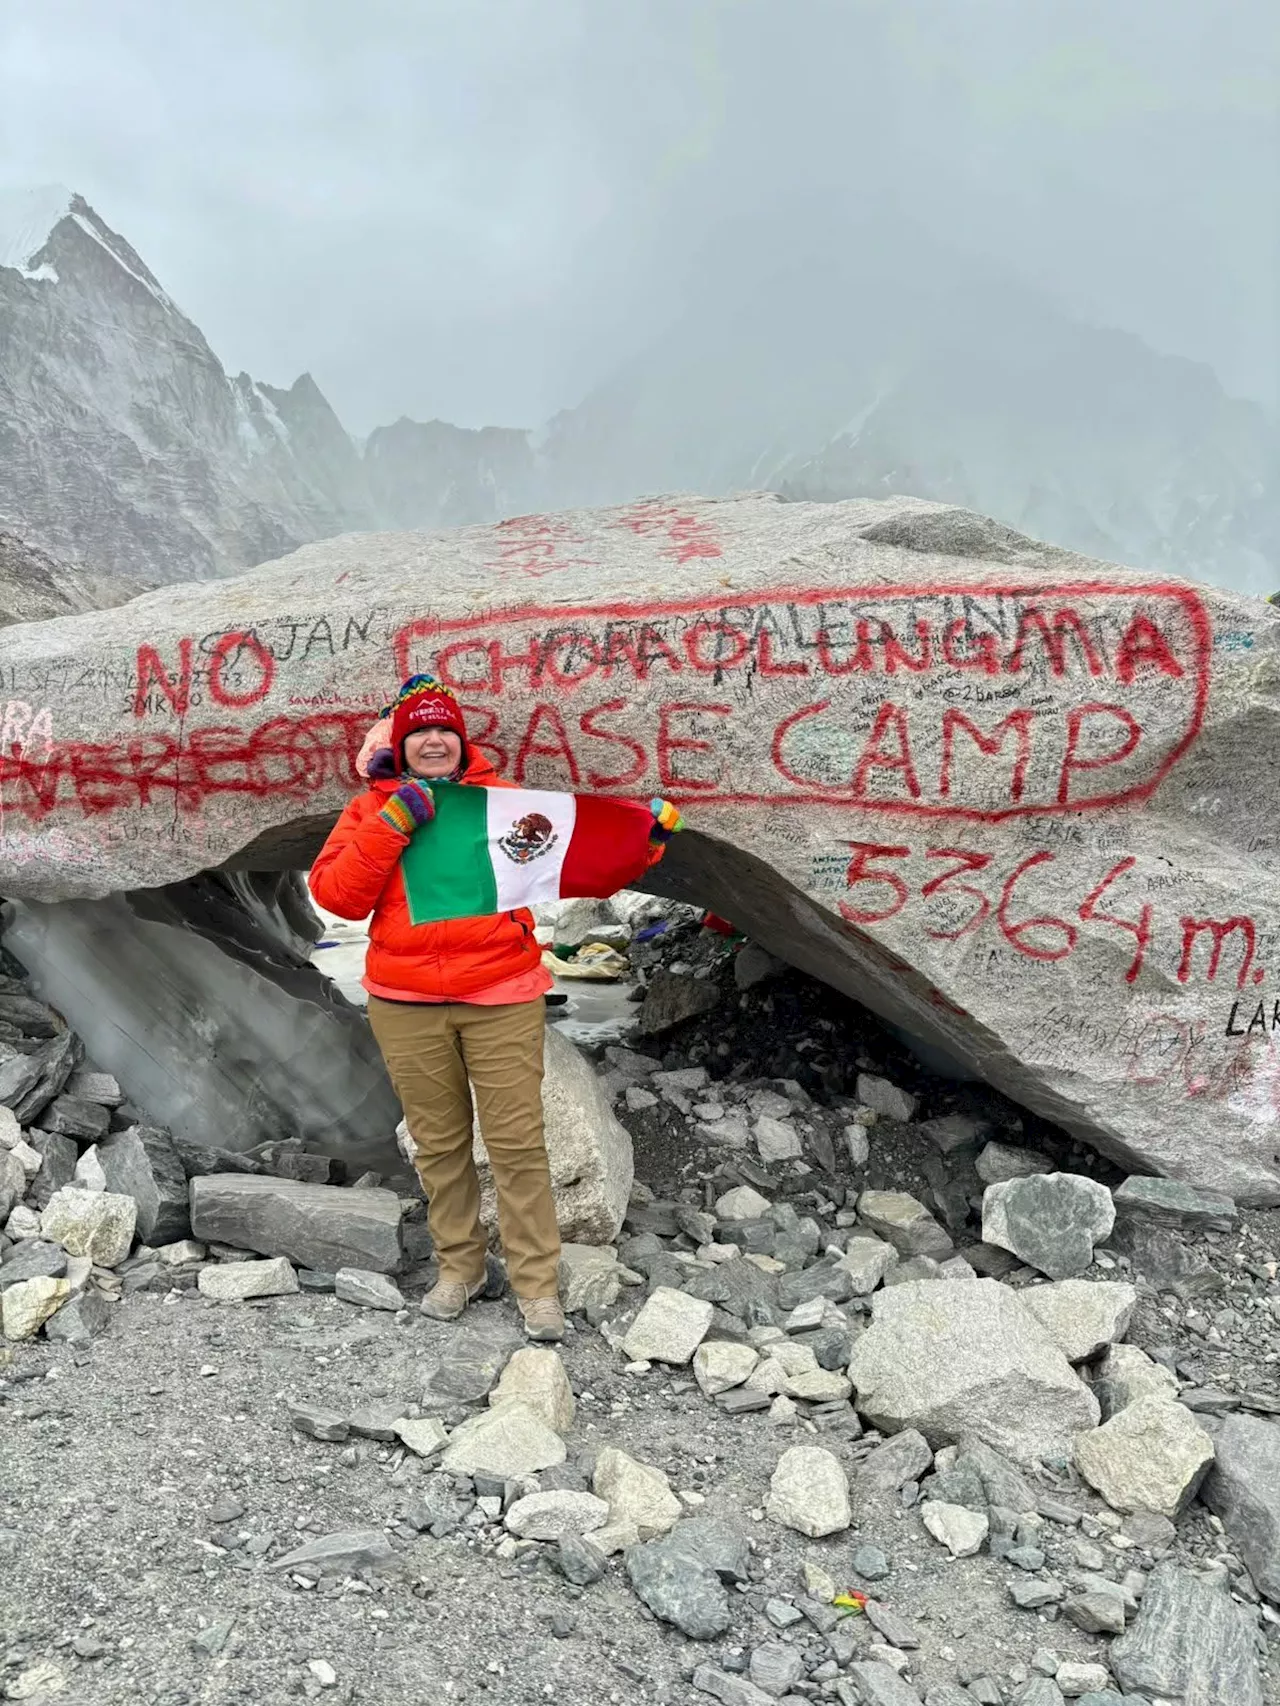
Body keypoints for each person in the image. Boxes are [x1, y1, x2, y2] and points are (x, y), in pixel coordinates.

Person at [309, 673, 682, 1343]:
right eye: (418, 731)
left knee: (515, 1145)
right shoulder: (373, 809)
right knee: (439, 1144)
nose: (432, 741)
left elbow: (575, 861)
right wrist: (394, 824)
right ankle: (460, 1269)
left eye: (443, 731)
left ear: (460, 740)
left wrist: (638, 840)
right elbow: (338, 896)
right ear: (400, 742)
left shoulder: (502, 805)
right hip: (405, 1000)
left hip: (501, 994)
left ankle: (537, 1285)